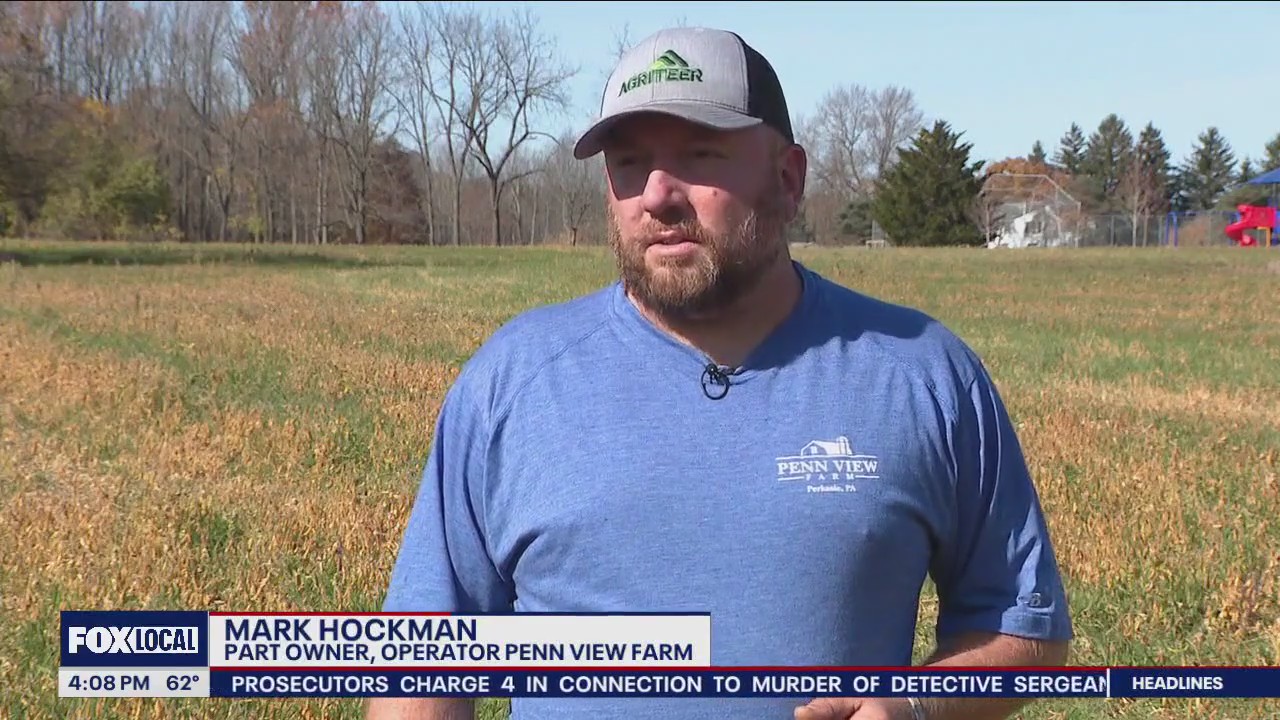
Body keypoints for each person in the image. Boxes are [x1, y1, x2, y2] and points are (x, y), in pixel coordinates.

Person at [367, 26, 1072, 720]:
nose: (658, 195)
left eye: (701, 156)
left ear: (788, 179)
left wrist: (915, 707)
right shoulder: (512, 385)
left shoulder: (920, 374)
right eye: (628, 164)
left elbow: (1024, 628)